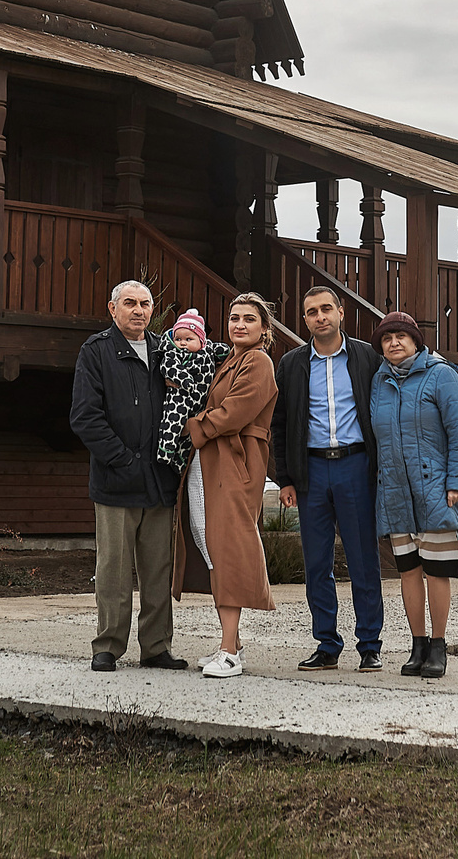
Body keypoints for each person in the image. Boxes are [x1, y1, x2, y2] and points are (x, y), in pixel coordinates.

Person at [69, 279, 190, 673]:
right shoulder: (96, 351)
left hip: (159, 480)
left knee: (158, 572)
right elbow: (85, 416)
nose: (139, 310)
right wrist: (122, 459)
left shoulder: (165, 350)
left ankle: (156, 647)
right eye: (130, 303)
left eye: (145, 304)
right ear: (113, 308)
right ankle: (107, 646)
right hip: (116, 481)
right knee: (113, 571)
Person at [271, 283, 384, 671]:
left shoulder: (367, 357)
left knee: (363, 559)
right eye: (311, 312)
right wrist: (285, 478)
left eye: (325, 309)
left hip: (356, 466)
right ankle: (327, 644)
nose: (319, 317)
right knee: (317, 562)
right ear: (305, 320)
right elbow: (280, 424)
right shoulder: (292, 364)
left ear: (340, 312)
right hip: (312, 471)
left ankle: (369, 644)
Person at [176, 290, 280, 678]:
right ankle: (231, 643)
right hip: (211, 460)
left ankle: (230, 652)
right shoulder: (229, 359)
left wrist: (194, 427)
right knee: (211, 546)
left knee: (228, 549)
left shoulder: (259, 361)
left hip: (235, 462)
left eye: (249, 319)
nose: (239, 324)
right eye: (234, 318)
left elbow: (235, 412)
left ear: (264, 328)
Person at [368, 308, 458, 679]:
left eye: (401, 336)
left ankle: (439, 645)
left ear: (416, 341)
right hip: (395, 491)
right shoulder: (379, 380)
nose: (394, 343)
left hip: (436, 490)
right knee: (408, 572)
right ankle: (418, 645)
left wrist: (457, 481)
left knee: (437, 571)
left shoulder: (441, 375)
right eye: (387, 338)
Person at [153, 309, 229, 476]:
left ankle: (181, 462)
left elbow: (224, 351)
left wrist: (225, 351)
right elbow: (169, 367)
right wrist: (185, 380)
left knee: (190, 437)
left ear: (201, 340)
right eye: (178, 339)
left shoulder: (208, 350)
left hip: (201, 401)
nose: (182, 343)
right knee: (173, 421)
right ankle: (165, 451)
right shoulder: (173, 353)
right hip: (180, 396)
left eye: (188, 339)